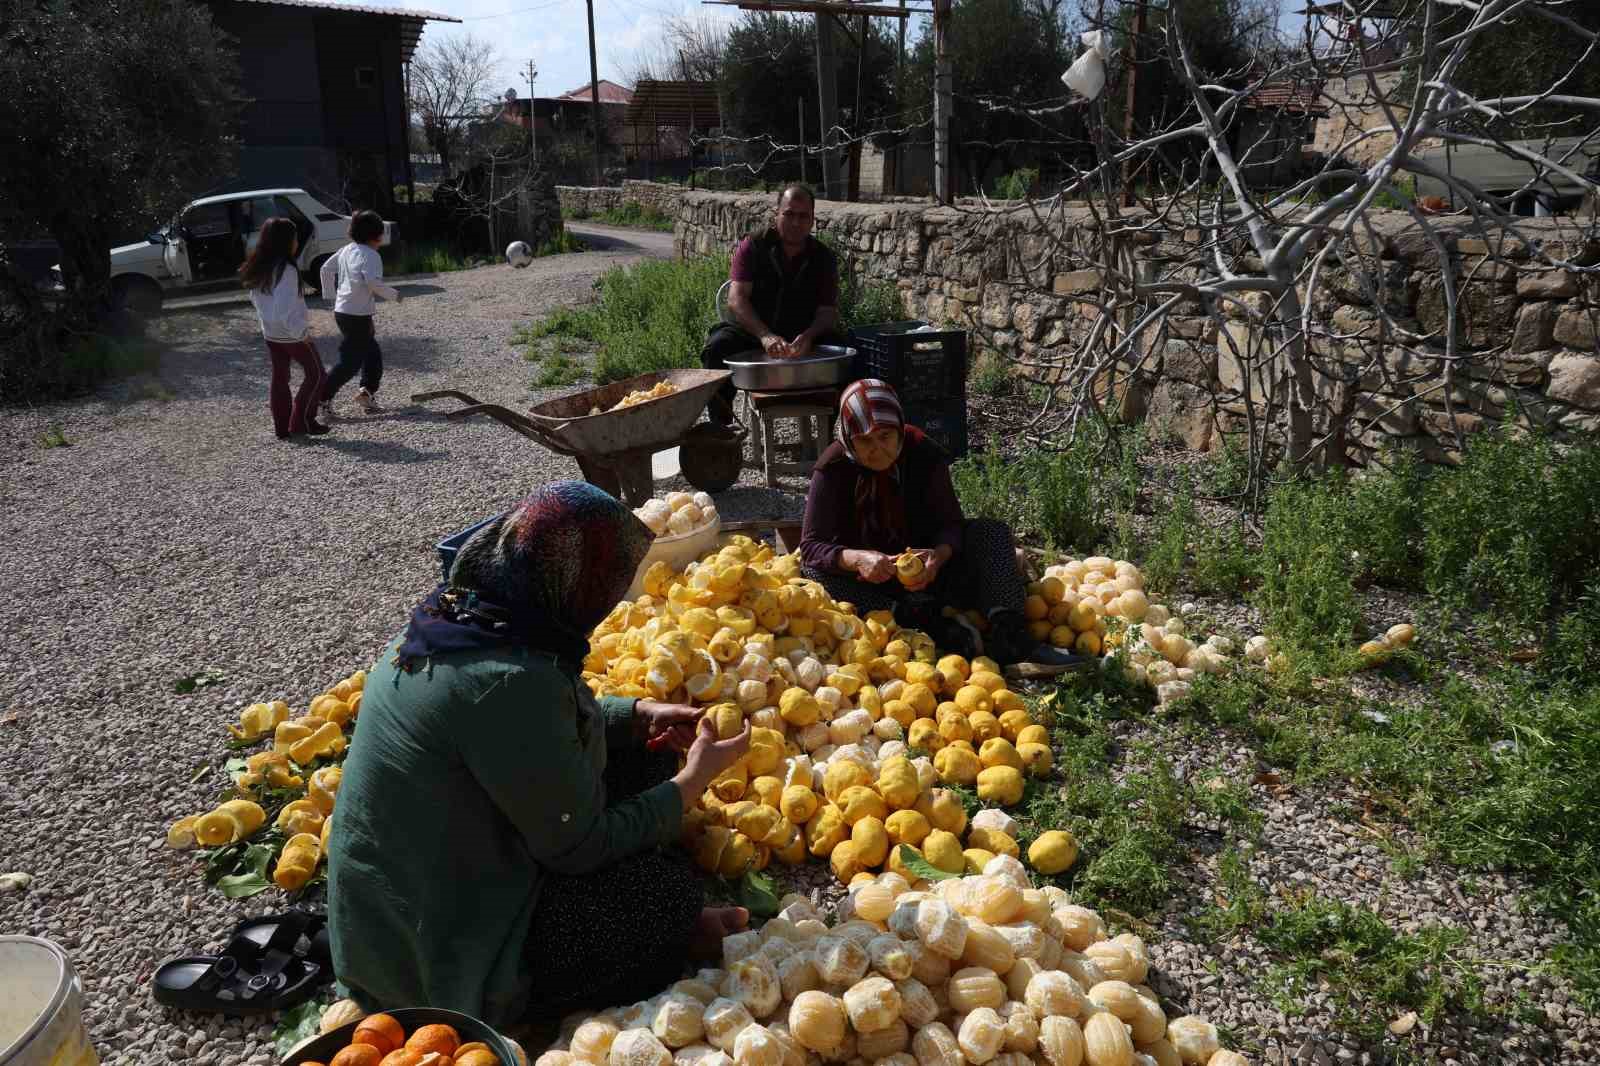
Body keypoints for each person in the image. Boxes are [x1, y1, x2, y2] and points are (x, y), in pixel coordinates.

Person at [327, 482, 752, 1027]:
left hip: (424, 885)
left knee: (645, 757)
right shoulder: (508, 684)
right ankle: (535, 994)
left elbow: (533, 735)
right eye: (609, 585)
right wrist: (691, 785)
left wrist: (637, 713)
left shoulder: (463, 620)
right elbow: (578, 847)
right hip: (432, 955)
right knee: (663, 898)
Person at [799, 379, 1080, 668]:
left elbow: (951, 522)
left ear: (899, 429)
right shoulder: (832, 469)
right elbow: (811, 545)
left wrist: (938, 555)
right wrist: (857, 559)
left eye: (885, 436)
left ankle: (1010, 636)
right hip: (873, 588)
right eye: (865, 441)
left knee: (991, 533)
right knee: (810, 573)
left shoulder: (922, 451)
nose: (878, 449)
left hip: (935, 577)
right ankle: (930, 627)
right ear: (848, 439)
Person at [698, 184, 844, 425]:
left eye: (803, 216)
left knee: (845, 352)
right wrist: (765, 335)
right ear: (776, 214)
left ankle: (830, 437)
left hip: (801, 338)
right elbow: (736, 299)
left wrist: (809, 336)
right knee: (717, 347)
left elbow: (827, 312)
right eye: (789, 214)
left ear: (812, 220)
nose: (796, 222)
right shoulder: (753, 247)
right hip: (754, 332)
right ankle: (720, 430)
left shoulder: (823, 257)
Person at [238, 217, 330, 440]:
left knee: (280, 378)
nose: (297, 242)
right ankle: (302, 423)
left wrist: (269, 324)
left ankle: (282, 429)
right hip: (290, 334)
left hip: (271, 333)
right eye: (295, 238)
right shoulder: (286, 269)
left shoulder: (259, 265)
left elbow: (257, 300)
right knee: (316, 375)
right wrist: (302, 333)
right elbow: (285, 307)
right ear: (286, 241)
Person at [319, 209, 397, 419]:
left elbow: (325, 269)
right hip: (356, 315)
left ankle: (367, 393)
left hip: (344, 312)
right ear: (378, 234)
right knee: (350, 362)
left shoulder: (347, 249)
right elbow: (372, 283)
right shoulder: (371, 255)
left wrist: (332, 297)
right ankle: (322, 398)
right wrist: (393, 295)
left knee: (372, 354)